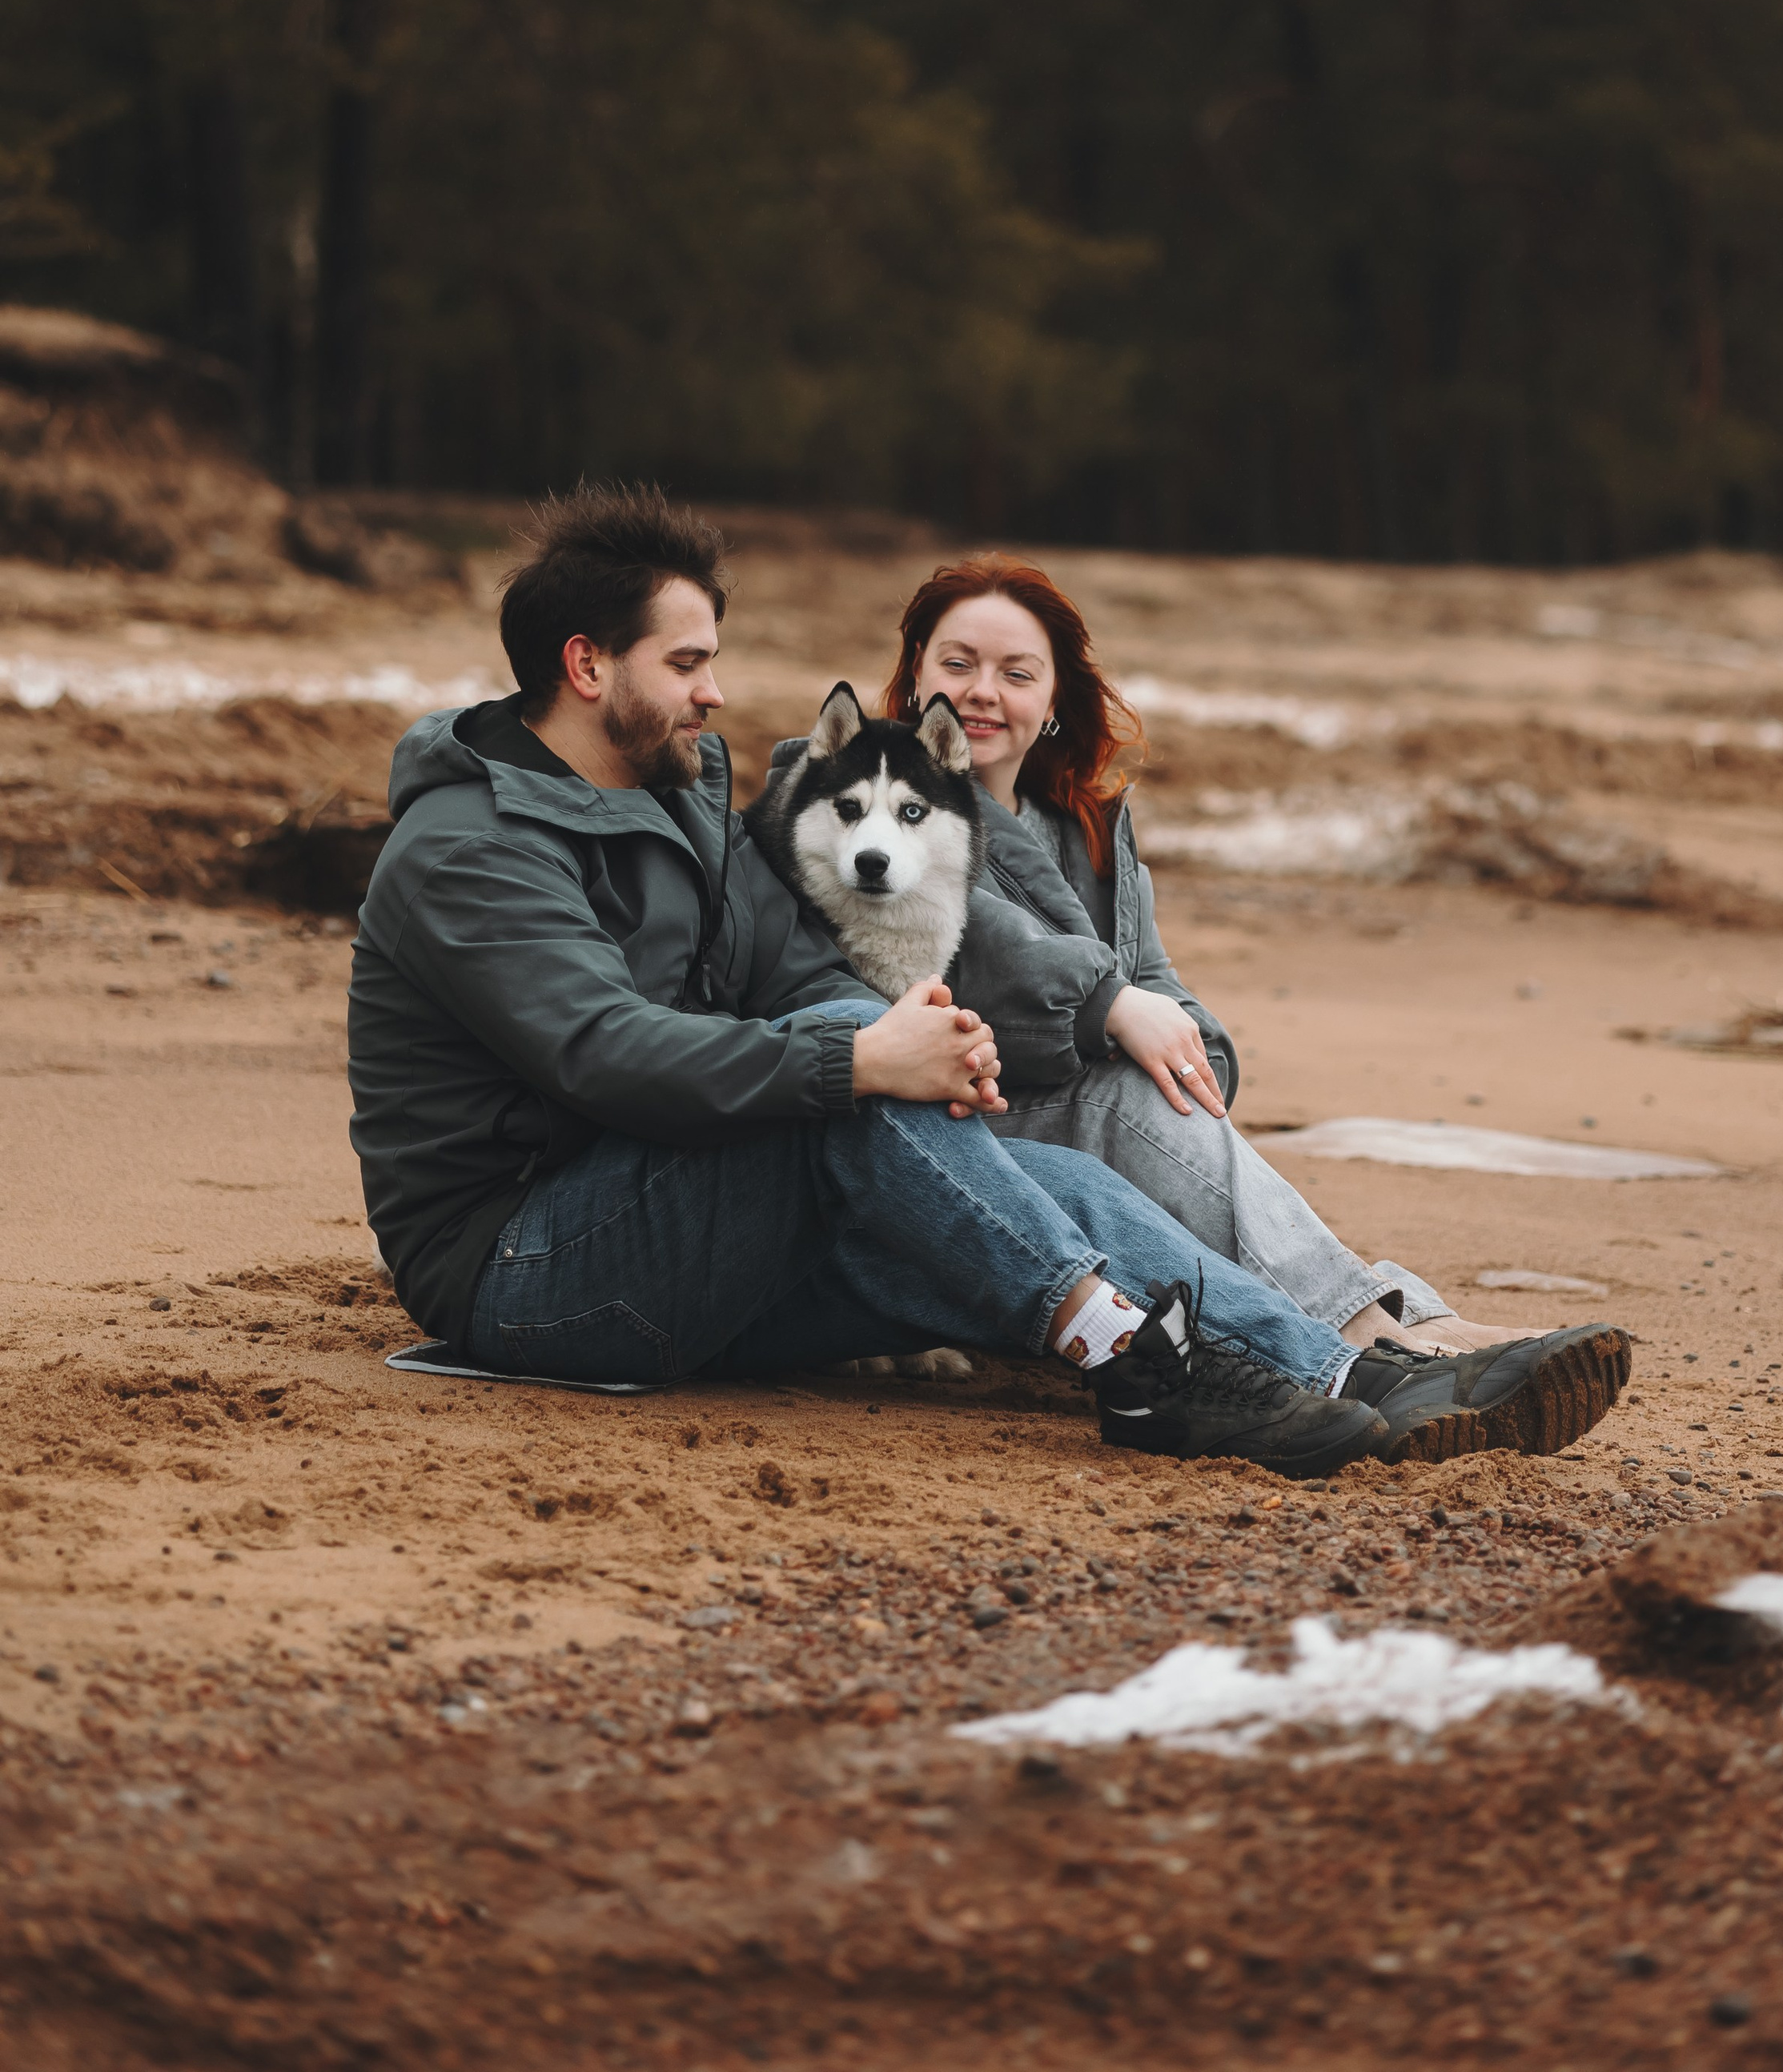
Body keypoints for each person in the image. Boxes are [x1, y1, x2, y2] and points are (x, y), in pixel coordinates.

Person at [347, 488, 1628, 1477]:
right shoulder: (469, 847)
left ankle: (1361, 1382)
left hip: (694, 1222)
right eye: (687, 663)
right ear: (587, 667)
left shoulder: (677, 803)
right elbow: (603, 1051)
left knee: (1041, 1170)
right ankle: (1134, 1363)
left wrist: (925, 1036)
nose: (717, 690)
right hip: (528, 1266)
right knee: (857, 1055)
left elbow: (778, 963)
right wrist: (860, 1056)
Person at [877, 557, 1564, 1370]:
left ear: (1054, 698)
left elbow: (1157, 978)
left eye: (1015, 673)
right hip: (949, 1125)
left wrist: (1195, 1055)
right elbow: (981, 946)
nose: (981, 691)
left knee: (1161, 1090)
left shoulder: (1085, 826)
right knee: (1125, 1095)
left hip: (1063, 1115)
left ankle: (1393, 1321)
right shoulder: (881, 801)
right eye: (957, 664)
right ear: (915, 672)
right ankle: (1373, 1335)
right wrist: (1111, 1010)